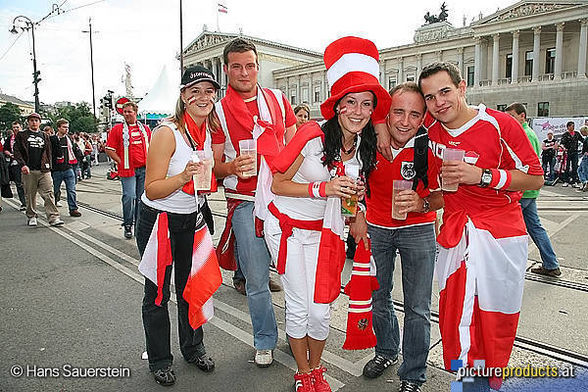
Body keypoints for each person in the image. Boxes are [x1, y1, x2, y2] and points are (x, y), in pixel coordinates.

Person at [265, 36, 390, 392]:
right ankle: (303, 375)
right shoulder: (310, 134)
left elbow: (351, 192)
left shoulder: (363, 147)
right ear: (337, 106)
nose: (359, 111)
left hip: (326, 231)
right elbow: (277, 183)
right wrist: (324, 189)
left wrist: (358, 206)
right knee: (300, 306)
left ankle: (316, 369)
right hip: (287, 228)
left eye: (366, 104)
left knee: (321, 310)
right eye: (351, 101)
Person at [418, 62, 543, 391]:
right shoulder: (432, 133)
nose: (438, 102)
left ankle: (483, 385)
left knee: (491, 325)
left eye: (445, 91)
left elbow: (535, 177)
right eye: (430, 97)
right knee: (456, 325)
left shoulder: (500, 124)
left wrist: (485, 176)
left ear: (462, 88)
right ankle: (465, 384)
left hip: (499, 238)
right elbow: (439, 191)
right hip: (457, 239)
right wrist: (422, 203)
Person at [212, 37, 296, 368]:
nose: (244, 72)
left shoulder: (278, 98)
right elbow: (214, 167)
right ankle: (264, 339)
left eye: (250, 65)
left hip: (282, 199)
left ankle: (297, 334)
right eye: (237, 66)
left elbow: (296, 147)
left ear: (258, 66)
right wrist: (231, 167)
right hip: (244, 202)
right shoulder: (217, 110)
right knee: (257, 280)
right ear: (226, 69)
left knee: (292, 275)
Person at [136, 65, 221, 386]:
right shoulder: (166, 132)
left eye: (209, 91)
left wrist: (229, 168)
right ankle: (159, 358)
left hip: (192, 218)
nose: (203, 97)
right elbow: (152, 188)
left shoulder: (208, 132)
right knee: (157, 293)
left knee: (191, 287)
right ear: (183, 96)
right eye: (195, 91)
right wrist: (183, 176)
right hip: (160, 220)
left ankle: (193, 348)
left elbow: (211, 175)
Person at [356, 83, 443, 392]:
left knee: (418, 308)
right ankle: (387, 351)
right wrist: (358, 216)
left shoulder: (431, 144)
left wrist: (424, 203)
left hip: (418, 230)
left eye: (414, 114)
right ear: (386, 112)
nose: (405, 121)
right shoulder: (368, 137)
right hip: (377, 230)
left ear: (424, 118)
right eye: (398, 112)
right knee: (378, 298)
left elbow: (448, 192)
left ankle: (413, 374)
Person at [506, 103, 560, 277]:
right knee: (535, 227)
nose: (509, 120)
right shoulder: (529, 133)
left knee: (509, 229)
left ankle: (510, 268)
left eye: (512, 116)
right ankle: (551, 264)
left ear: (522, 116)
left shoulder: (523, 134)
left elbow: (522, 164)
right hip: (528, 191)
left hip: (522, 190)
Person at [105, 101, 151, 239]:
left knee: (141, 200)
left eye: (129, 111)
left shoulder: (145, 129)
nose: (127, 114)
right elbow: (109, 149)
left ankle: (139, 225)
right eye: (125, 112)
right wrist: (120, 162)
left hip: (144, 169)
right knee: (129, 197)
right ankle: (127, 224)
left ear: (135, 112)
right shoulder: (118, 129)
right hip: (128, 171)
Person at [13, 112, 64, 227]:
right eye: (31, 120)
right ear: (28, 122)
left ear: (39, 123)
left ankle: (53, 217)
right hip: (29, 170)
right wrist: (22, 165)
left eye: (36, 120)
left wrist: (49, 166)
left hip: (43, 169)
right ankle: (31, 216)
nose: (34, 122)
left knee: (48, 193)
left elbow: (48, 152)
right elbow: (16, 151)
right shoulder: (22, 135)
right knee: (30, 195)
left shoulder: (44, 135)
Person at [50, 118, 82, 218]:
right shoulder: (53, 139)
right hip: (57, 169)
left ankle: (73, 209)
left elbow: (75, 151)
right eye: (64, 127)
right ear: (58, 128)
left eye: (67, 127)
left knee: (71, 189)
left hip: (68, 167)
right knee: (55, 190)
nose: (66, 129)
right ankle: (52, 207)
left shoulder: (69, 139)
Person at [3, 121, 27, 210]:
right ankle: (24, 203)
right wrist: (10, 154)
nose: (15, 129)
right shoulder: (10, 138)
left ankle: (30, 201)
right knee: (19, 184)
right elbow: (5, 149)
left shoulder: (25, 136)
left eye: (17, 127)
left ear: (21, 127)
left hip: (26, 163)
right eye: (14, 127)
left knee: (27, 184)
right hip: (15, 163)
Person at [560, 121, 583, 187]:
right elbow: (562, 143)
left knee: (575, 166)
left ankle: (574, 181)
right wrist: (563, 148)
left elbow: (582, 140)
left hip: (575, 152)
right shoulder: (565, 135)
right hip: (568, 153)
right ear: (568, 127)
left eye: (574, 126)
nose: (573, 127)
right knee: (567, 167)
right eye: (572, 126)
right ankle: (566, 181)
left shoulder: (577, 134)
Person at [577, 126, 588, 191]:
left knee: (583, 171)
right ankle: (584, 182)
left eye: (582, 132)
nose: (581, 134)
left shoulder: (586, 139)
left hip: (586, 156)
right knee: (580, 170)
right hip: (585, 155)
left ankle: (585, 182)